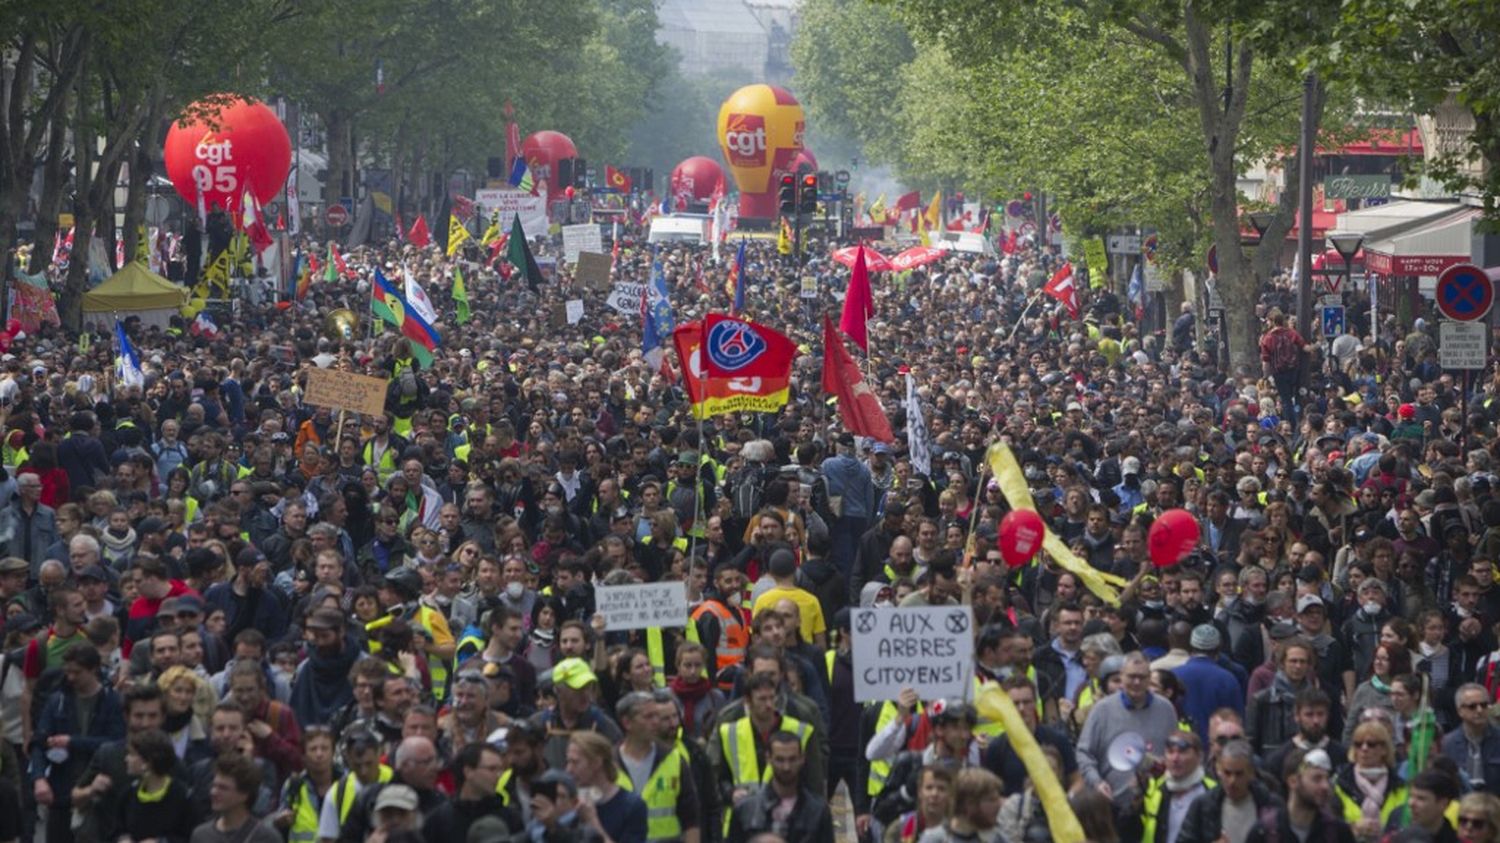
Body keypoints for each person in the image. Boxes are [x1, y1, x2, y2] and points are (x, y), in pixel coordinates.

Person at [29, 642, 125, 843]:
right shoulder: (57, 701)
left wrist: (73, 742)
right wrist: (39, 778)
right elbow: (39, 741)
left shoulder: (112, 702)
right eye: (68, 672)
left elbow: (116, 743)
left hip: (98, 794)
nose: (70, 678)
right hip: (61, 793)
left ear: (93, 669)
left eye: (77, 673)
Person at [1076, 652, 1180, 800]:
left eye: (1142, 677)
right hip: (1112, 802)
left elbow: (1175, 752)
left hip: (1157, 803)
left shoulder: (1166, 709)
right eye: (1132, 677)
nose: (1137, 682)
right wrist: (1097, 782)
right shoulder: (1102, 710)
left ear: (1149, 678)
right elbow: (1084, 753)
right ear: (1122, 676)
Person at [726, 729, 833, 843]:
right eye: (780, 760)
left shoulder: (818, 811)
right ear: (768, 758)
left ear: (802, 759)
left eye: (792, 759)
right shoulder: (745, 809)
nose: (786, 767)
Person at [1177, 739, 1281, 843]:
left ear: (1251, 773)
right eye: (1227, 773)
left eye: (1239, 774)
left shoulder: (1270, 804)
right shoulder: (1202, 805)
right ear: (1219, 771)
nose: (1232, 781)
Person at [1245, 747, 1354, 843]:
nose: (1325, 786)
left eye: (1327, 779)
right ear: (1293, 781)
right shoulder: (1264, 833)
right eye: (1317, 779)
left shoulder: (1339, 833)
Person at [420, 741, 518, 842]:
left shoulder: (510, 817)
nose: (499, 775)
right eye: (492, 769)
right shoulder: (439, 820)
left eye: (501, 769)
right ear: (468, 771)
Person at [113, 727, 197, 843]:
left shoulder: (183, 796)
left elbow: (191, 836)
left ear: (147, 762)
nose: (126, 759)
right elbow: (118, 829)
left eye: (132, 754)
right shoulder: (128, 794)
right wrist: (123, 838)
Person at [565, 730, 647, 843]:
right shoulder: (568, 801)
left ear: (597, 763)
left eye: (575, 762)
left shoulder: (631, 806)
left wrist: (593, 823)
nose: (568, 770)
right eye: (568, 762)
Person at [1333, 721, 1407, 836]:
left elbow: (1406, 824)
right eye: (1358, 744)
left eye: (1371, 744)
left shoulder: (1400, 787)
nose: (1364, 748)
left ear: (1384, 749)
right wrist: (1353, 827)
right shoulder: (1338, 784)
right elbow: (1329, 825)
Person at [189, 754, 282, 843]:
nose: (214, 792)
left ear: (244, 795)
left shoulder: (267, 838)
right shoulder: (201, 835)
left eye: (223, 788)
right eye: (214, 786)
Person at [915, 768, 1006, 843]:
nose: (999, 804)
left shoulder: (996, 838)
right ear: (970, 804)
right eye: (991, 800)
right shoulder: (935, 839)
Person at [1440, 683, 1500, 795]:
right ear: (1459, 711)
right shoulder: (1447, 744)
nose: (1479, 710)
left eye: (1484, 705)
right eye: (1472, 706)